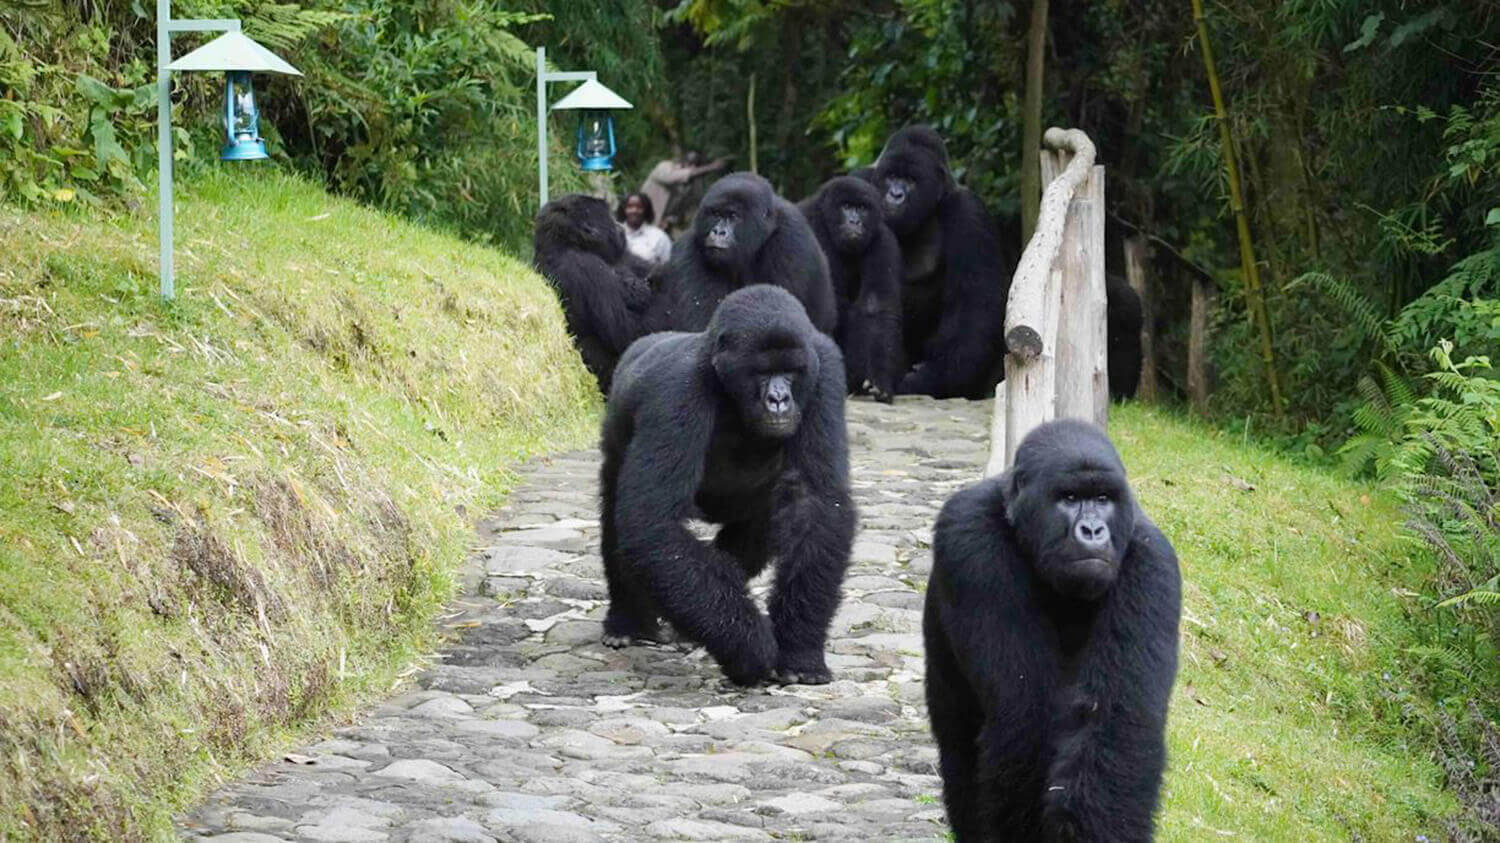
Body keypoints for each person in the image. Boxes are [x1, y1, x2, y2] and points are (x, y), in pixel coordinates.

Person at [640, 151, 731, 234]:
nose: (693, 168)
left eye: (696, 165)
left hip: (658, 227)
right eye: (691, 163)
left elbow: (678, 208)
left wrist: (668, 220)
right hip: (641, 219)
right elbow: (669, 177)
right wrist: (711, 167)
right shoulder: (665, 166)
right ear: (683, 161)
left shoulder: (687, 185)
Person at [616, 192, 672, 268]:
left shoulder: (660, 238)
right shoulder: (614, 232)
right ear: (624, 209)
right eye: (630, 206)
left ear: (646, 210)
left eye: (639, 207)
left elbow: (668, 266)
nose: (634, 210)